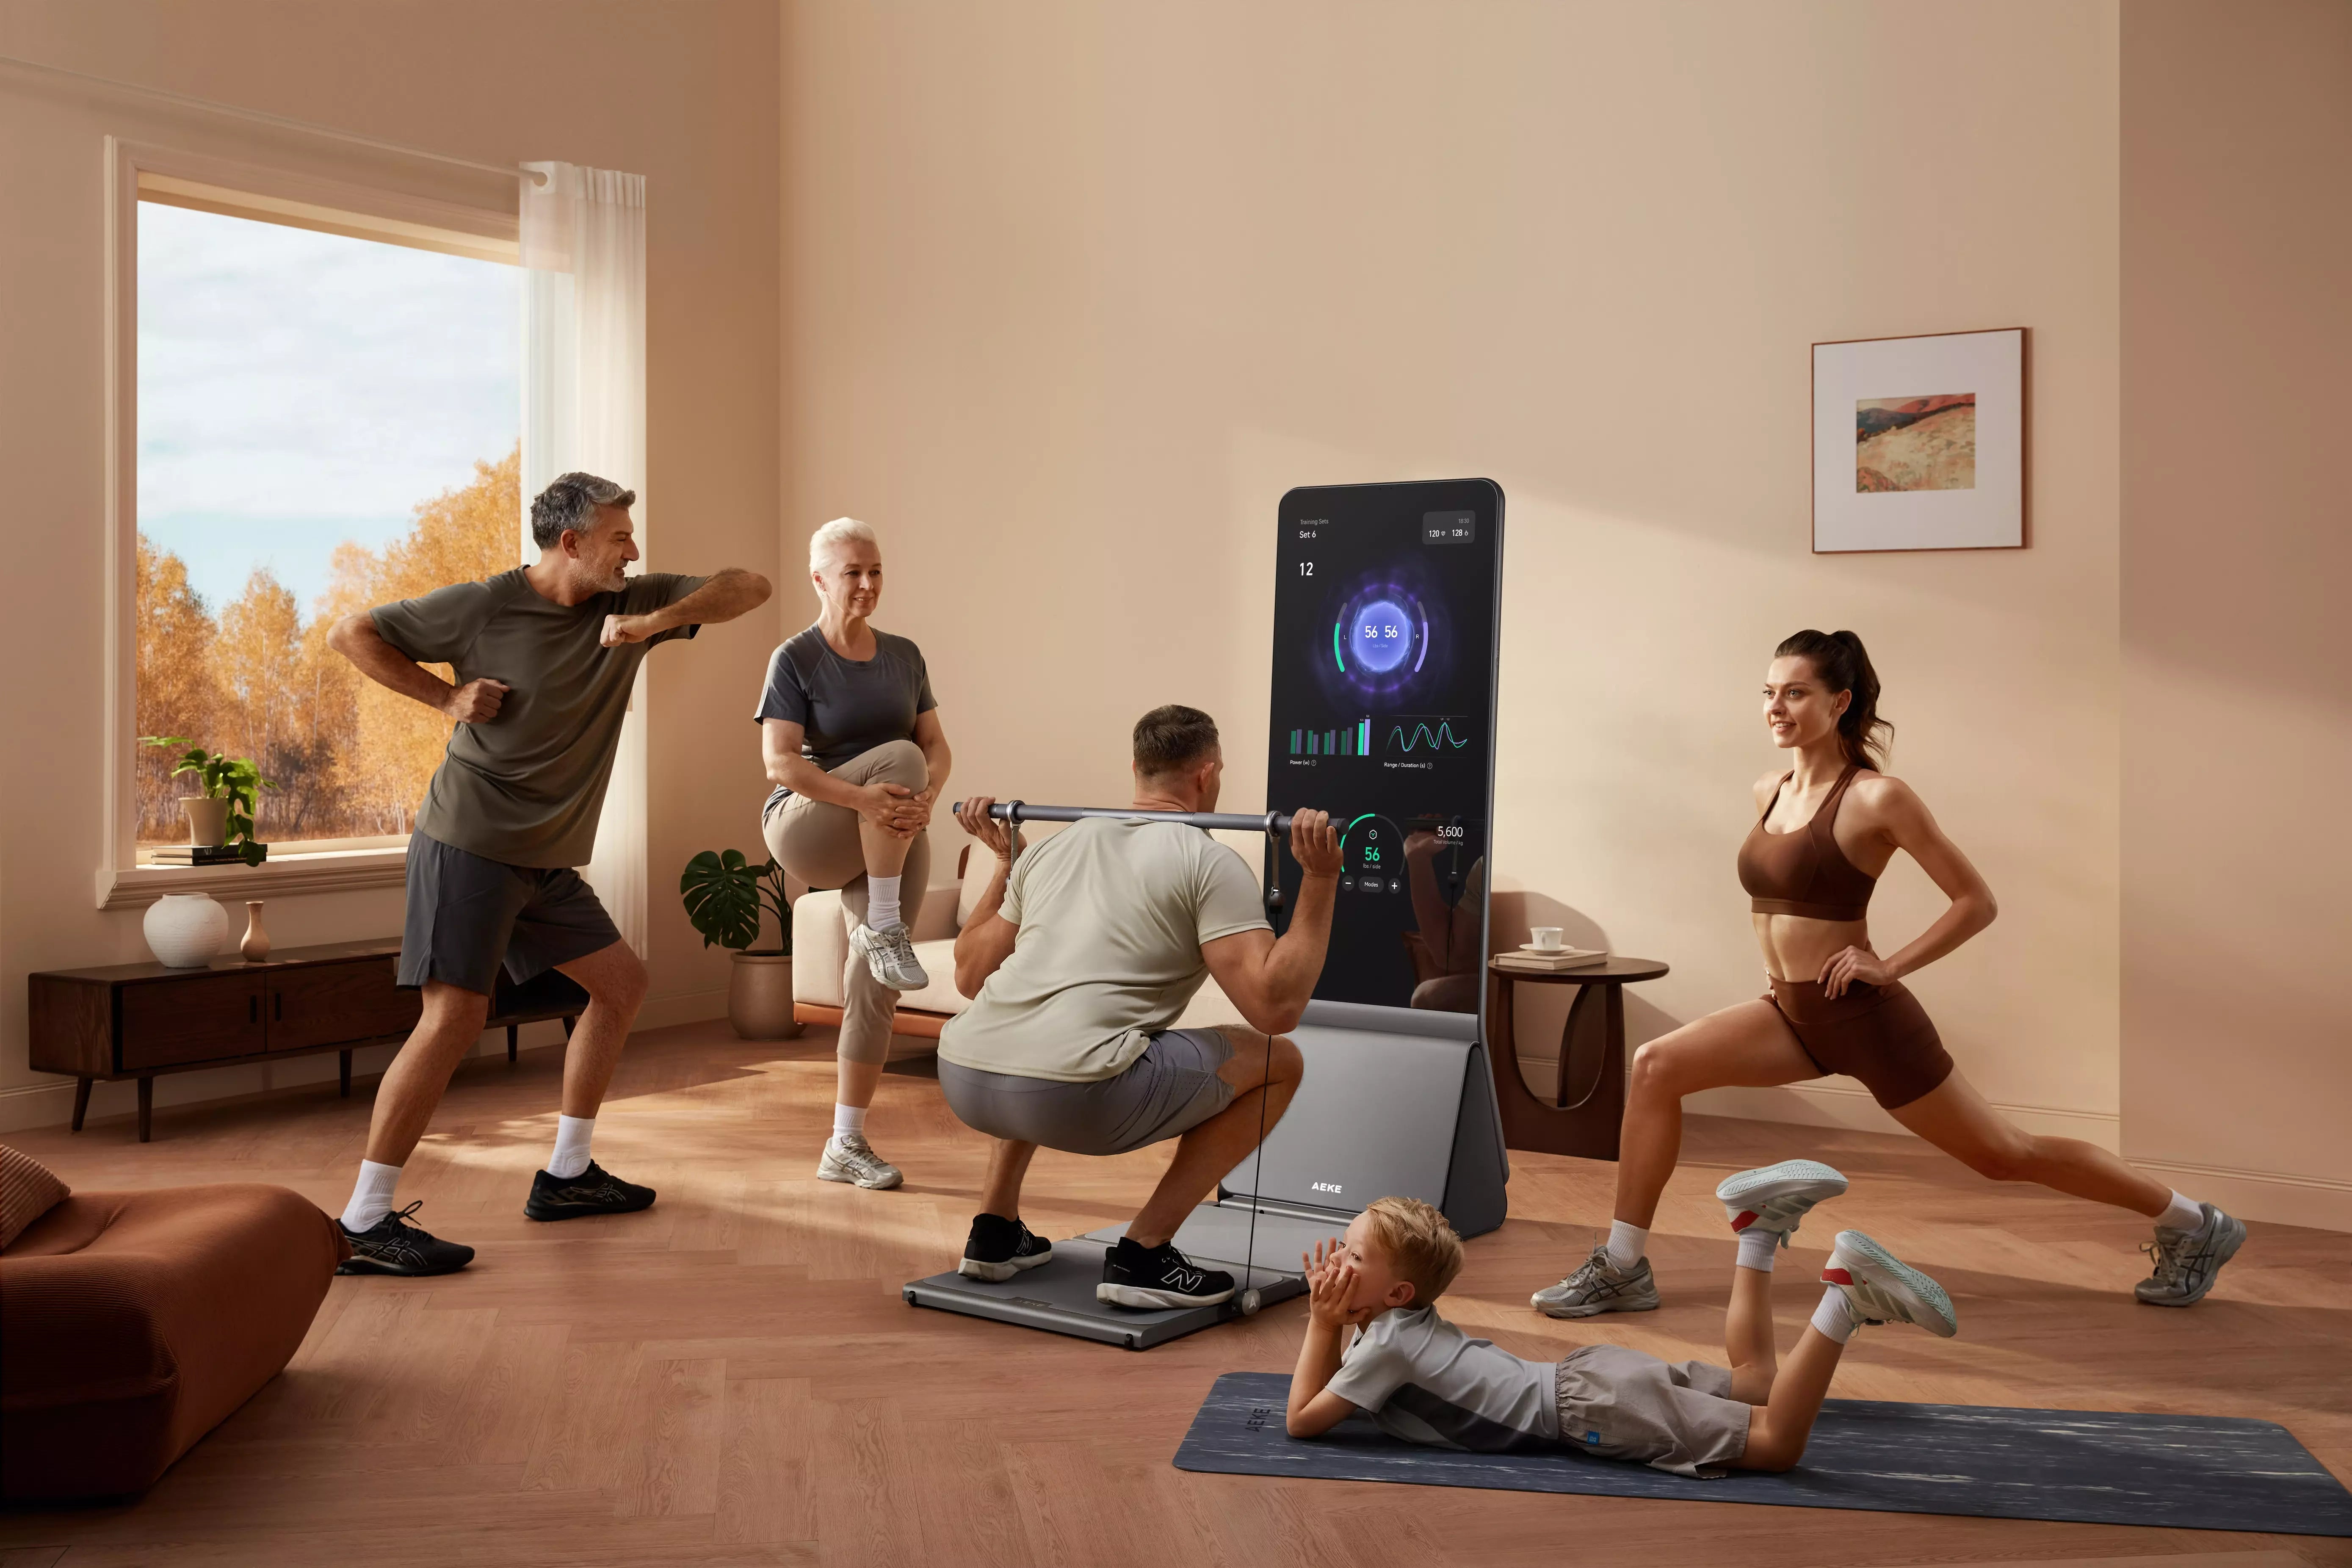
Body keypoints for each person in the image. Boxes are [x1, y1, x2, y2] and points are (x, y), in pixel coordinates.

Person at [1533, 629, 2242, 1321]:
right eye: (1769, 693)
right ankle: (1624, 1267)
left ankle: (2193, 1221)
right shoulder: (1769, 790)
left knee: (2005, 1156)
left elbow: (1977, 902)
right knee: (1656, 1065)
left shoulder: (1878, 797)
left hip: (1863, 1020)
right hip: (1790, 1014)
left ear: (1840, 703)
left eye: (1796, 693)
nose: (1776, 707)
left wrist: (1888, 964)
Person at [323, 472, 771, 1276]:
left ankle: (567, 1175)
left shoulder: (629, 605)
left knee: (622, 984)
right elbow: (351, 633)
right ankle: (362, 1221)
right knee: (454, 1018)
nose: (633, 550)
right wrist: (445, 698)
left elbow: (750, 587)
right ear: (571, 543)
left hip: (545, 860)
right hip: (470, 842)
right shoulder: (485, 605)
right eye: (618, 538)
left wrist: (656, 624)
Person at [940, 705, 1341, 1309]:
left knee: (1040, 1015)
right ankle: (1145, 1254)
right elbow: (1274, 1008)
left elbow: (970, 976)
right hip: (1080, 1102)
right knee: (1278, 1059)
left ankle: (994, 1232)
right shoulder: (1208, 861)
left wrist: (1006, 862)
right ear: (1207, 775)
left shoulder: (1053, 847)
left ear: (1136, 768)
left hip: (964, 1077)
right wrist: (1321, 880)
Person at [1287, 1170, 1954, 1475]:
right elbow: (1347, 1374)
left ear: (1398, 1290)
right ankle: (1758, 1229)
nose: (1338, 1262)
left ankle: (1844, 1298)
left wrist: (1322, 1324)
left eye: (1352, 1254)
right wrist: (1341, 1321)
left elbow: (1303, 1421)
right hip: (1592, 1372)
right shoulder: (1403, 1326)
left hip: (1590, 1409)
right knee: (1758, 1380)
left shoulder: (1384, 1348)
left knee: (1778, 1443)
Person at [757, 517, 953, 1191]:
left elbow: (938, 749)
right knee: (897, 756)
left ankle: (846, 1143)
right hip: (808, 826)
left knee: (876, 988)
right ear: (819, 578)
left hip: (886, 830)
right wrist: (865, 799)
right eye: (852, 573)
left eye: (875, 572)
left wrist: (926, 800)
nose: (867, 585)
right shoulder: (797, 659)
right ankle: (888, 923)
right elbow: (779, 762)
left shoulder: (905, 655)